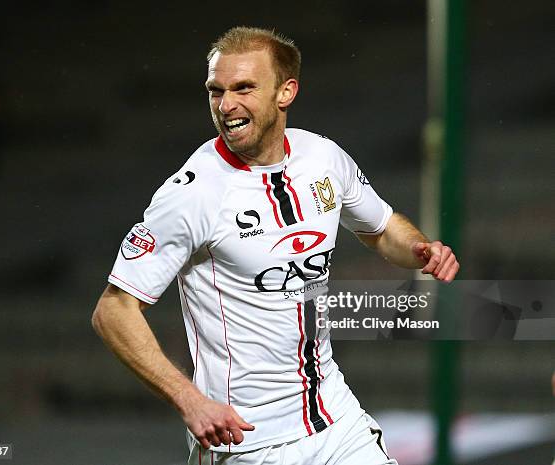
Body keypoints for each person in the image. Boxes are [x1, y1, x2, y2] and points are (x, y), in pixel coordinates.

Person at [92, 27, 459, 465]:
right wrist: (189, 400)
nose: (226, 105)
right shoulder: (192, 193)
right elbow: (113, 311)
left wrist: (420, 249)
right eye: (216, 91)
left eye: (243, 88)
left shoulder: (323, 158)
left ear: (286, 92)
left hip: (335, 421)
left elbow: (380, 229)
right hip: (247, 440)